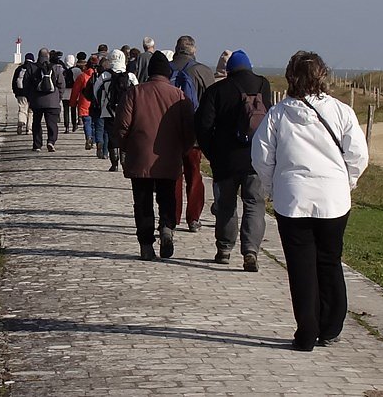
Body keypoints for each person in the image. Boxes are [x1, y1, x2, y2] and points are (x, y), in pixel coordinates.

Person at [251, 50, 368, 351]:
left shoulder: (278, 115)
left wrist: (272, 187)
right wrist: (347, 181)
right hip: (333, 199)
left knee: (301, 267)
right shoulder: (342, 112)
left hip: (292, 198)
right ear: (323, 76)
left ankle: (306, 332)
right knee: (329, 261)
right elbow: (358, 155)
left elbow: (262, 157)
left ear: (291, 77)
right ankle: (331, 326)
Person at [196, 50, 272, 272]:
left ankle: (224, 249)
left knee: (226, 205)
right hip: (256, 158)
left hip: (225, 160)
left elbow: (203, 126)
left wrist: (211, 153)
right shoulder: (263, 85)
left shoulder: (216, 91)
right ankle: (251, 251)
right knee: (254, 205)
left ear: (228, 70)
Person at [115, 51, 195, 260]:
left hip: (140, 157)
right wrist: (182, 150)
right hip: (168, 158)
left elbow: (122, 126)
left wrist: (126, 147)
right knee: (167, 197)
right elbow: (189, 131)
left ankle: (146, 245)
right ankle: (167, 228)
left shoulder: (135, 93)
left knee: (142, 202)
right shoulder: (179, 96)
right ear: (168, 73)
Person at [170, 35, 215, 233]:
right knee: (194, 174)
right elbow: (213, 103)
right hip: (195, 133)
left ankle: (172, 216)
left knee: (172, 176)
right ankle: (193, 217)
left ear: (176, 49)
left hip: (169, 132)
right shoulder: (203, 71)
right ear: (194, 50)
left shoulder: (166, 69)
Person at [93, 49, 138, 171]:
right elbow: (137, 93)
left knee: (111, 135)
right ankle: (124, 159)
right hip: (127, 111)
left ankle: (114, 163)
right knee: (125, 134)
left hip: (108, 110)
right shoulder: (130, 76)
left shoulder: (104, 75)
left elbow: (95, 92)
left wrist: (101, 104)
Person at [28, 48, 66, 152]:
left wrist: (30, 97)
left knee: (36, 123)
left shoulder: (32, 68)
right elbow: (61, 84)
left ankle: (37, 145)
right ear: (48, 56)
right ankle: (51, 141)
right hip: (52, 101)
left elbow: (27, 84)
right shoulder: (57, 68)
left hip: (37, 101)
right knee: (52, 123)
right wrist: (59, 97)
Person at [70, 54, 99, 150]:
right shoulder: (100, 76)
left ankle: (88, 137)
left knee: (87, 122)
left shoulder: (83, 76)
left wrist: (73, 103)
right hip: (97, 102)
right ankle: (95, 140)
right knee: (95, 122)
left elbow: (75, 91)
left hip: (84, 102)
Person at [11, 52, 35, 135]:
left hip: (20, 93)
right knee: (30, 112)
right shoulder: (34, 68)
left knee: (22, 109)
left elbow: (14, 81)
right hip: (31, 93)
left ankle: (21, 122)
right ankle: (29, 129)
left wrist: (15, 92)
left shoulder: (19, 68)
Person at [62, 54, 80, 133]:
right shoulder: (77, 70)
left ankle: (66, 127)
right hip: (74, 92)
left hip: (65, 93)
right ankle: (74, 125)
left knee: (66, 110)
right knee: (73, 109)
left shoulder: (62, 70)